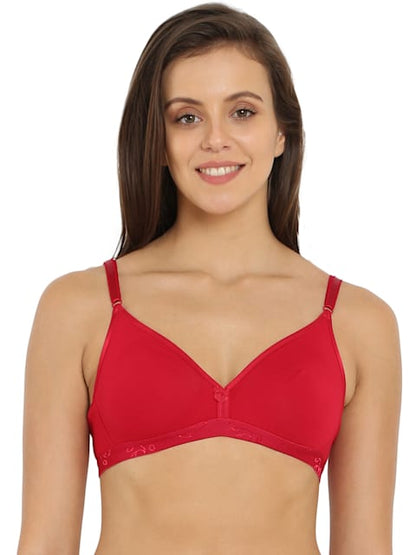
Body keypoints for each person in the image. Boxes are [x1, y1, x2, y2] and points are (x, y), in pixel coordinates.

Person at [17, 3, 402, 554]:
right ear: (157, 141)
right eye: (187, 117)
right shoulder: (79, 308)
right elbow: (46, 543)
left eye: (242, 112)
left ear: (282, 132)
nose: (216, 139)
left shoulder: (359, 323)